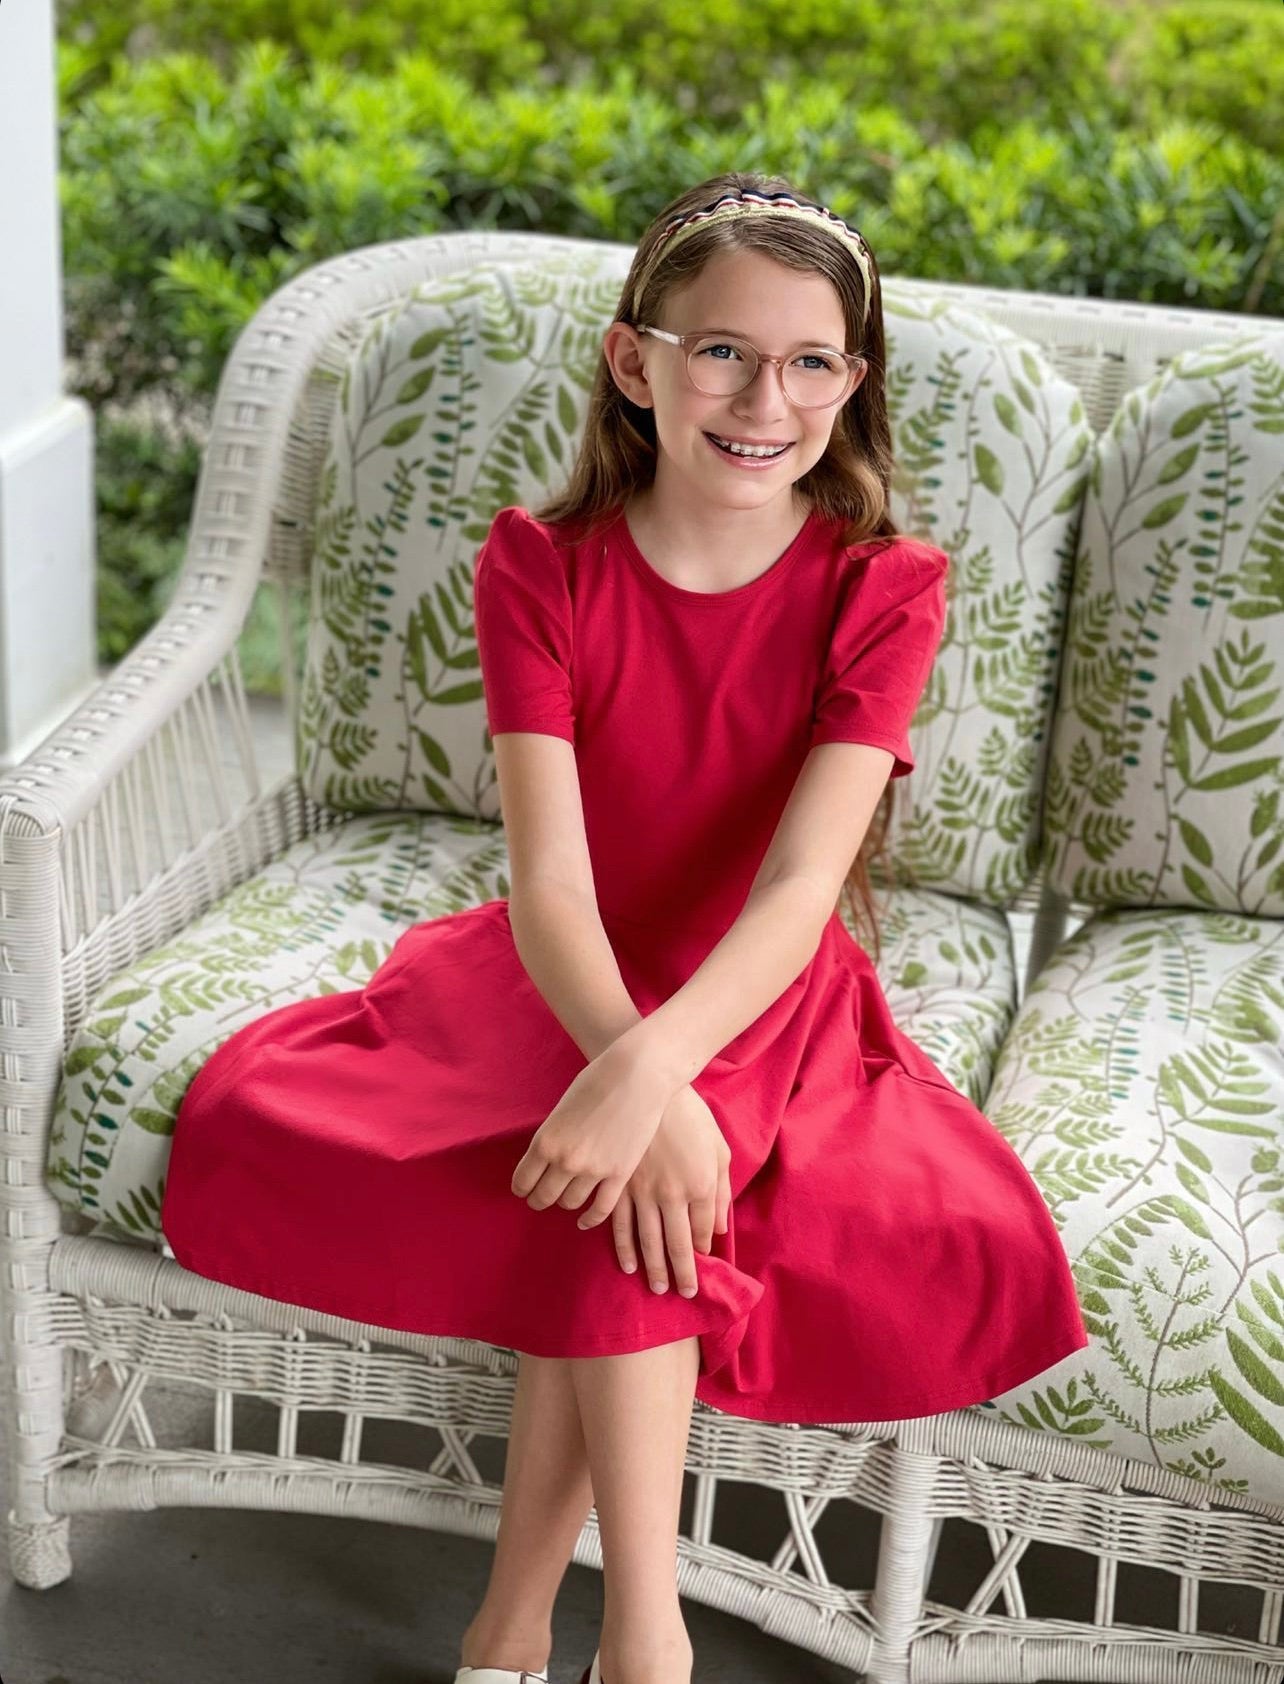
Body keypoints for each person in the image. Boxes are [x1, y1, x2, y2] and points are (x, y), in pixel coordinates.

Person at [160, 170, 1090, 1684]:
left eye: (808, 362)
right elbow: (551, 886)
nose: (761, 396)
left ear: (851, 386)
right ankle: (616, 1648)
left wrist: (656, 1073)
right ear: (634, 359)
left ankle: (554, 1633)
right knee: (632, 1191)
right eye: (720, 348)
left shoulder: (883, 587)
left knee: (627, 1208)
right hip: (567, 970)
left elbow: (798, 893)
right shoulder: (542, 565)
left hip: (756, 991)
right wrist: (623, 1064)